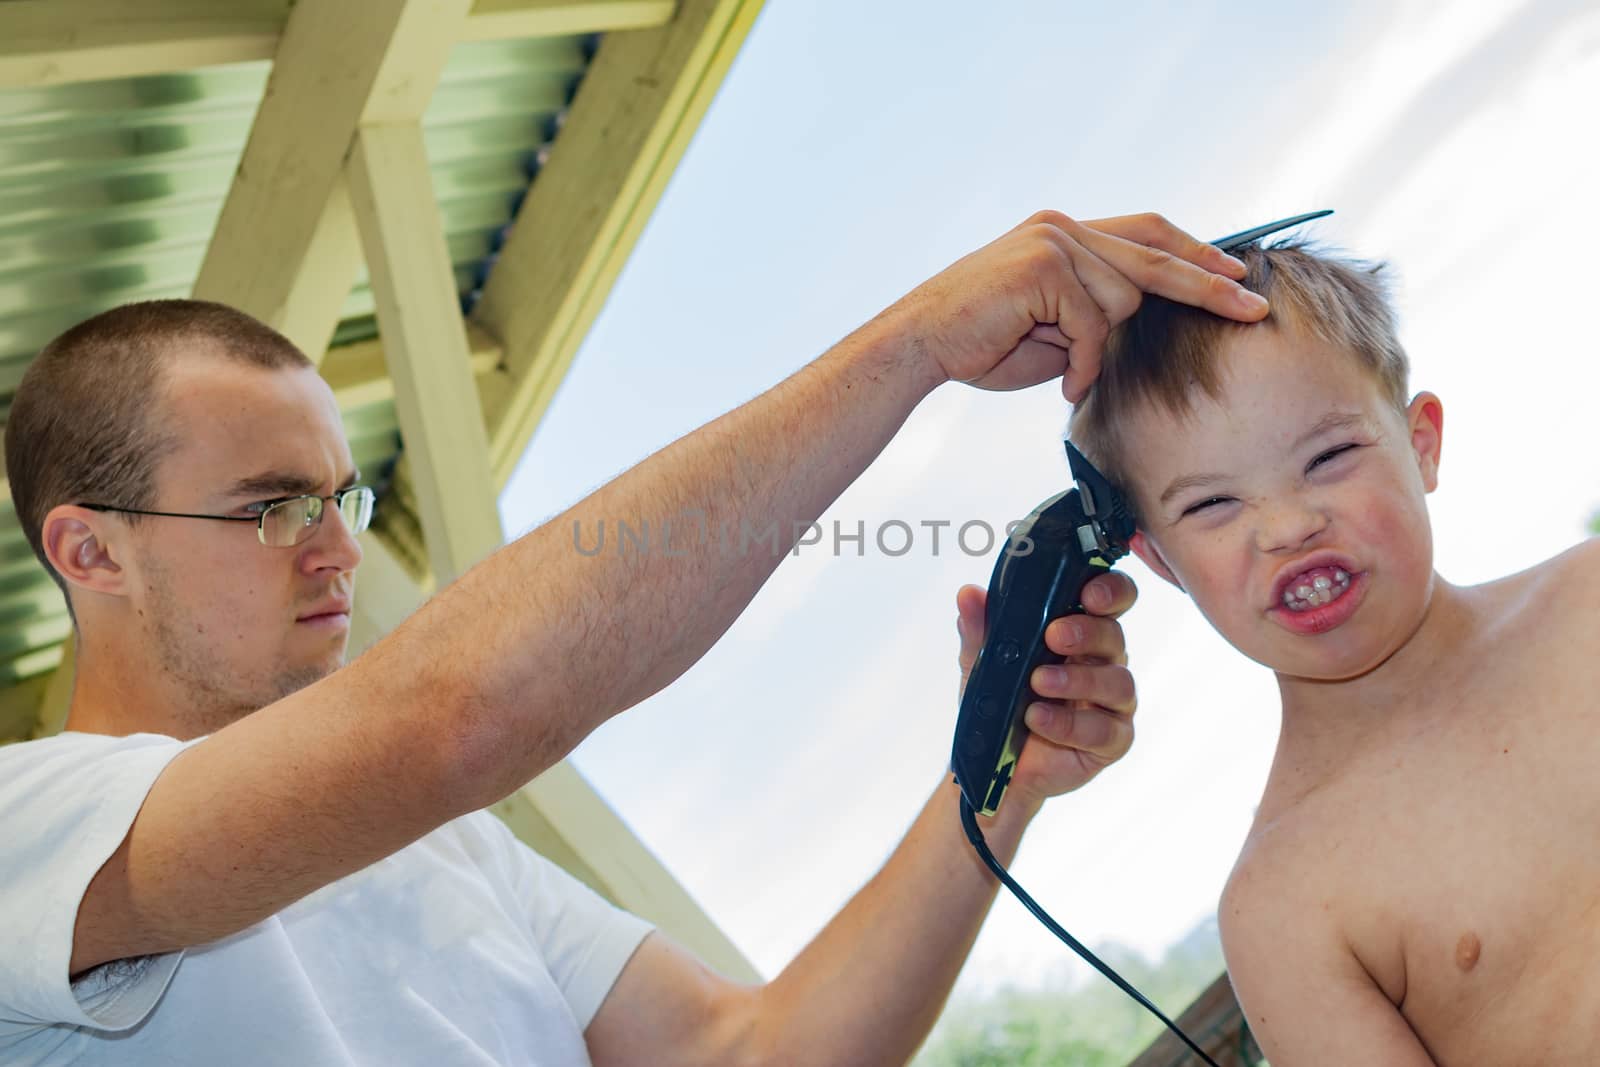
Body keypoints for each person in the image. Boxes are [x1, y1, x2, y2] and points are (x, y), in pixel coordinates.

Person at [0, 211, 1267, 1066]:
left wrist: (993, 785)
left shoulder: (454, 854)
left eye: (345, 497)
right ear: (89, 550)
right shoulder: (26, 828)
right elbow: (456, 716)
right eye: (274, 507)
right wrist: (915, 341)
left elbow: (757, 1048)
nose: (336, 545)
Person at [1067, 240, 1600, 1066]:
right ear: (1164, 564)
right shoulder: (1285, 905)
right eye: (1212, 503)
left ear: (1420, 443)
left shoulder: (1590, 598)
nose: (1286, 527)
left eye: (1329, 456)